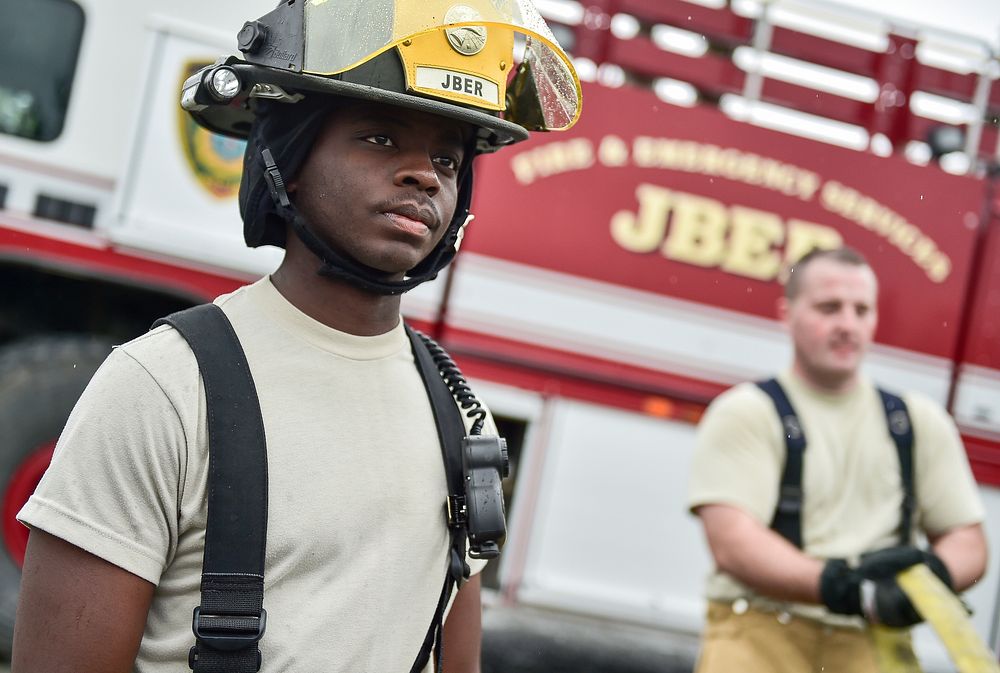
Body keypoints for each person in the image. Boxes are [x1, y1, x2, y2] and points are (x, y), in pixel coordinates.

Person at [10, 2, 581, 672]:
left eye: (449, 160)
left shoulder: (458, 413)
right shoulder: (163, 387)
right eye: (379, 138)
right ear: (290, 158)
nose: (425, 175)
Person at [687, 246, 988, 672]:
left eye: (861, 310)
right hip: (760, 638)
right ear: (786, 313)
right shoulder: (746, 413)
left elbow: (969, 542)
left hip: (872, 644)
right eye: (829, 308)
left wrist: (929, 577)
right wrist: (844, 587)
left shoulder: (917, 422)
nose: (847, 325)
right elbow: (732, 544)